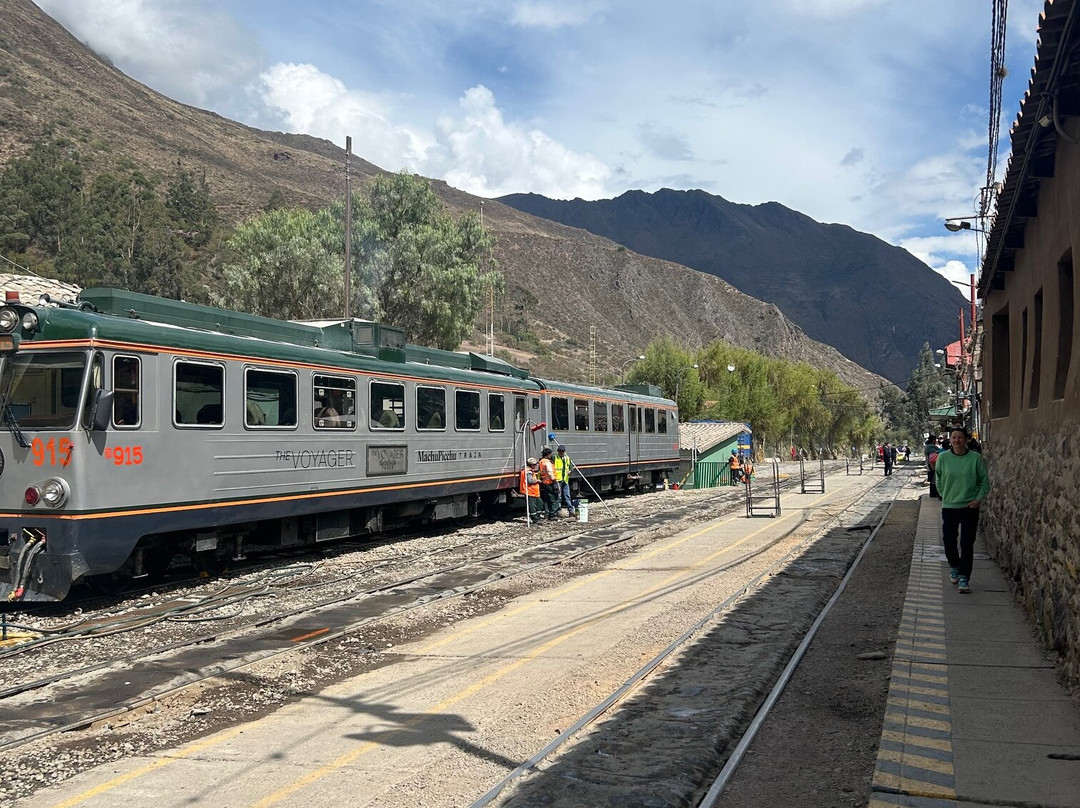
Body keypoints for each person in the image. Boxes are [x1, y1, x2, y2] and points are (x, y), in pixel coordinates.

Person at [934, 427, 990, 594]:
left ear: (966, 440)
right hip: (950, 507)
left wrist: (977, 500)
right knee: (949, 542)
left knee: (967, 544)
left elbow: (984, 483)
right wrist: (944, 495)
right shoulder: (943, 457)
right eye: (954, 437)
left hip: (969, 508)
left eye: (960, 437)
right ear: (950, 440)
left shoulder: (975, 459)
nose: (956, 440)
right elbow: (938, 478)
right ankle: (955, 566)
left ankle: (964, 577)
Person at [538, 447, 560, 519]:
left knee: (547, 499)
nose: (551, 456)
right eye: (550, 454)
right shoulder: (547, 462)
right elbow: (550, 472)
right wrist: (554, 479)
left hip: (544, 482)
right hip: (550, 482)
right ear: (548, 454)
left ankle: (547, 513)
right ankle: (553, 514)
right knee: (554, 498)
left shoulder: (541, 462)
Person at [554, 445, 576, 517]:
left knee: (567, 496)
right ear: (558, 451)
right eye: (560, 451)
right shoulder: (555, 458)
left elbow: (571, 468)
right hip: (558, 480)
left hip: (565, 480)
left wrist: (570, 471)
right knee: (558, 496)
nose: (561, 452)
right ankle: (558, 511)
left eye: (562, 451)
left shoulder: (567, 458)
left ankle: (571, 510)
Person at [520, 457, 542, 523]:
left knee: (539, 504)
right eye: (535, 464)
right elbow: (530, 481)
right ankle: (535, 519)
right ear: (532, 465)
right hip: (530, 491)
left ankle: (537, 517)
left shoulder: (527, 470)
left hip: (533, 491)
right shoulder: (528, 471)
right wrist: (537, 481)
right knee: (532, 507)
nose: (536, 466)